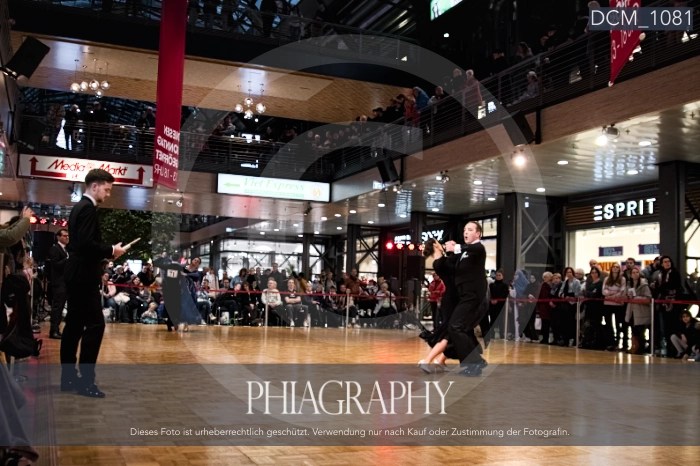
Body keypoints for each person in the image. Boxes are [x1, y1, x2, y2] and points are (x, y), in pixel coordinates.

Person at [60, 169, 127, 398]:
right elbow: (86, 244)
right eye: (106, 189)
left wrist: (107, 252)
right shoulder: (87, 208)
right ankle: (87, 381)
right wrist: (111, 250)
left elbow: (81, 244)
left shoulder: (79, 207)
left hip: (76, 274)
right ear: (95, 186)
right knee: (95, 326)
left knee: (74, 327)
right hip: (84, 276)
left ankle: (68, 377)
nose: (108, 194)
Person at [445, 221, 488, 376]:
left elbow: (472, 248)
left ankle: (475, 362)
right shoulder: (464, 252)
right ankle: (476, 361)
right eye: (464, 230)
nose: (466, 232)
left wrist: (455, 247)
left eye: (470, 230)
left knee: (455, 327)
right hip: (464, 296)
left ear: (478, 234)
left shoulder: (478, 248)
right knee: (461, 328)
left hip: (473, 296)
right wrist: (448, 252)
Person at [47, 229, 69, 339]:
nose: (67, 237)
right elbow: (55, 265)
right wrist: (67, 259)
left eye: (68, 236)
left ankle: (57, 329)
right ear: (58, 237)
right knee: (57, 307)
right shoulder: (55, 249)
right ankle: (53, 330)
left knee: (60, 308)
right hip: (59, 282)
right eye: (64, 236)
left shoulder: (66, 249)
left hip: (66, 282)